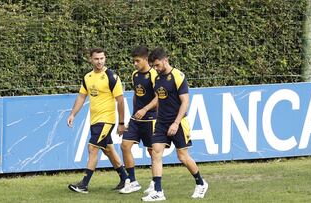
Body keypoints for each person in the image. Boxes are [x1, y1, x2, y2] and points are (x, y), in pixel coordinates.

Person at [141, 47, 208, 201]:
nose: (156, 69)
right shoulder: (157, 78)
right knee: (155, 152)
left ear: (166, 60)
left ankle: (200, 182)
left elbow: (185, 102)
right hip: (161, 122)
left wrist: (176, 123)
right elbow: (159, 98)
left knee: (182, 156)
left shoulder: (178, 76)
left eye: (157, 65)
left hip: (178, 122)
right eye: (153, 66)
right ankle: (158, 191)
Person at [67, 47, 129, 193]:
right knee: (108, 149)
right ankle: (125, 179)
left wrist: (121, 123)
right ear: (91, 59)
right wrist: (72, 114)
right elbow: (82, 97)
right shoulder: (87, 77)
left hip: (107, 120)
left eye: (102, 58)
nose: (99, 61)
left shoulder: (111, 76)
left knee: (92, 148)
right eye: (96, 59)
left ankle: (84, 184)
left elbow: (120, 101)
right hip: (95, 120)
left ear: (105, 58)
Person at [119, 45, 158, 194]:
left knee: (152, 152)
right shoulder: (135, 75)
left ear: (146, 59)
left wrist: (145, 109)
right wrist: (134, 114)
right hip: (137, 118)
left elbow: (158, 98)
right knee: (125, 145)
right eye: (133, 61)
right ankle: (133, 181)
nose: (135, 64)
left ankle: (155, 182)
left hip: (150, 118)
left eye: (137, 61)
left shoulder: (154, 74)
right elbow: (136, 95)